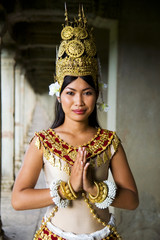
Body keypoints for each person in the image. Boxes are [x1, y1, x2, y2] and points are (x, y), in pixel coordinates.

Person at [11, 6, 139, 240]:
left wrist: (94, 188)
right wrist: (67, 189)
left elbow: (131, 199)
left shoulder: (109, 141)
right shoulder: (43, 141)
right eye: (70, 92)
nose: (78, 101)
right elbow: (18, 199)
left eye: (87, 92)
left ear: (97, 94)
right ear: (58, 95)